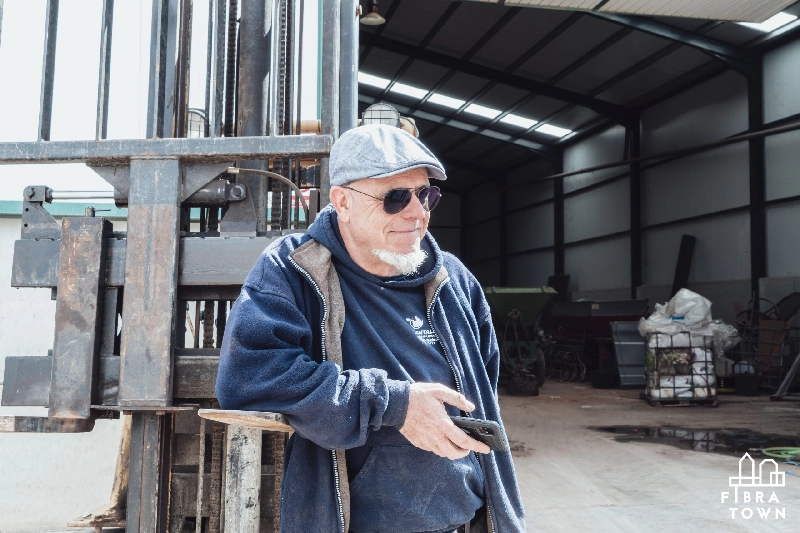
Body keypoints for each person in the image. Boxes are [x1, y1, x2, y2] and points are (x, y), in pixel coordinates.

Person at [217, 124, 525, 533]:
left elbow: (484, 379)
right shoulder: (295, 270)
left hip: (464, 520)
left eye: (426, 194)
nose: (417, 212)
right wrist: (396, 405)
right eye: (395, 198)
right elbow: (249, 376)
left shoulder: (455, 280)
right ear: (343, 203)